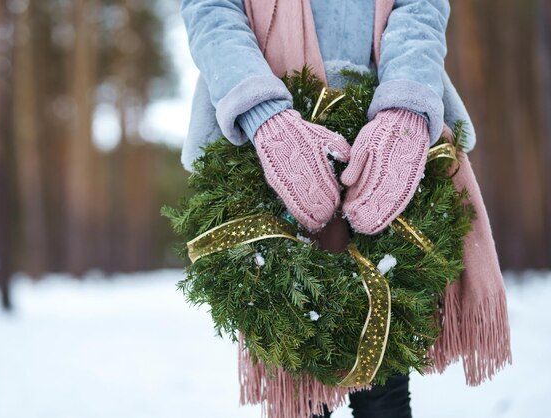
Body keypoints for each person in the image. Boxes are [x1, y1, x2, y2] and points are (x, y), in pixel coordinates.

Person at [179, 1, 478, 417]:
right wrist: (264, 115)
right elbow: (212, 10)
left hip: (382, 126)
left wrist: (406, 107)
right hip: (262, 135)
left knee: (385, 382)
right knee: (299, 385)